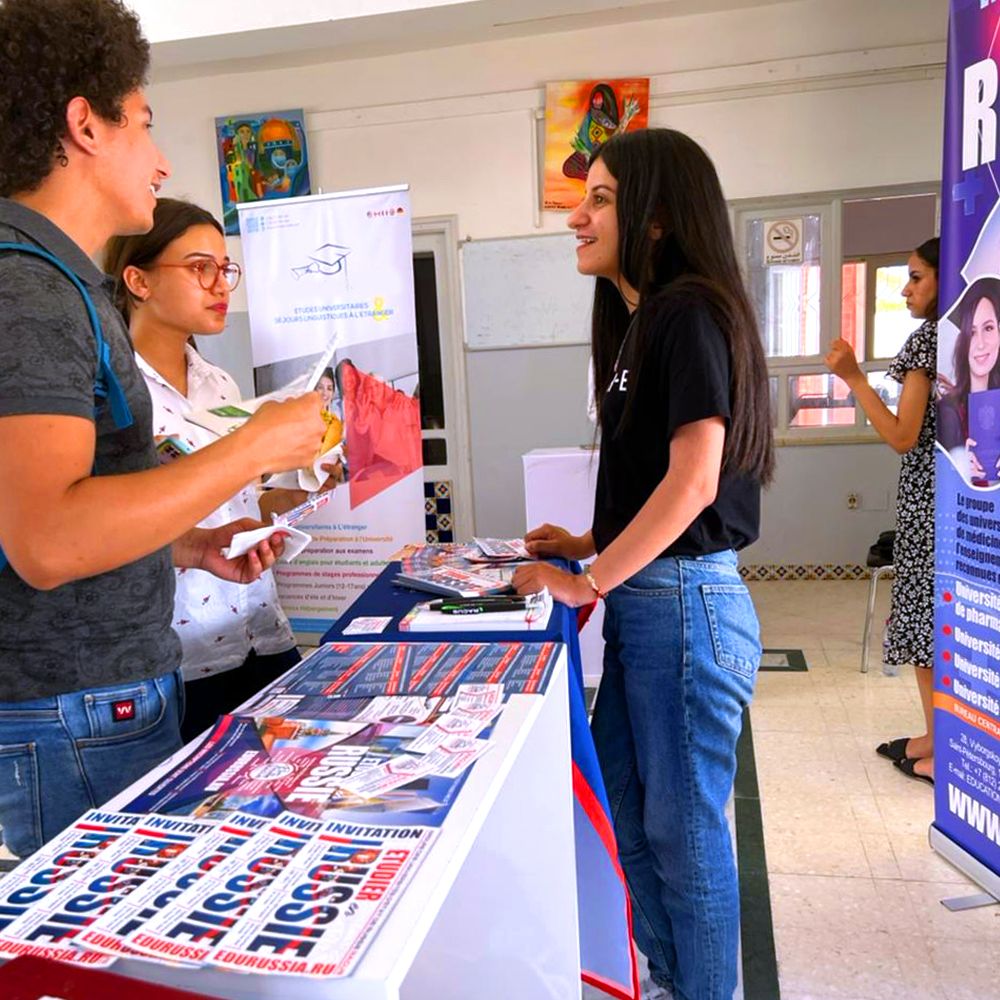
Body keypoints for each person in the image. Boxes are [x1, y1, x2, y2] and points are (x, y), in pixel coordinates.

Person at [0, 0, 326, 857]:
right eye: (143, 123)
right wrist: (254, 444)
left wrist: (190, 549)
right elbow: (47, 538)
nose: (162, 158)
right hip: (75, 707)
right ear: (86, 126)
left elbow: (82, 505)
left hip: (110, 695)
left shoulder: (64, 289)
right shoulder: (30, 293)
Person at [513, 128, 774, 1000]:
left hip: (686, 610)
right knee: (630, 814)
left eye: (600, 200)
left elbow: (697, 480)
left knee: (685, 837)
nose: (576, 219)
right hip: (651, 606)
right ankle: (676, 981)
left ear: (655, 218)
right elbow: (658, 475)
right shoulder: (638, 323)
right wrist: (588, 543)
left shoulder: (690, 309)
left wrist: (590, 582)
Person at [104, 198, 315, 742]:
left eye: (226, 268)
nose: (221, 285)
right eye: (200, 268)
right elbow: (105, 526)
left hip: (260, 630)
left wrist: (304, 486)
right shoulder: (111, 395)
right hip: (180, 654)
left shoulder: (219, 383)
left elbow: (239, 505)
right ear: (139, 281)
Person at [825, 237, 939, 785]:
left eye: (916, 277)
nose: (906, 288)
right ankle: (938, 736)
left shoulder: (929, 340)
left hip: (930, 503)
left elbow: (901, 434)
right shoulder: (968, 336)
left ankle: (942, 751)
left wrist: (853, 378)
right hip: (957, 496)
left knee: (924, 622)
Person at [937, 276, 1000, 481]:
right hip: (967, 508)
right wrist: (959, 466)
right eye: (971, 333)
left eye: (988, 328)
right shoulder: (948, 410)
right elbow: (943, 481)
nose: (980, 343)